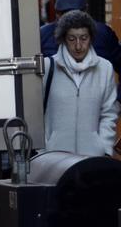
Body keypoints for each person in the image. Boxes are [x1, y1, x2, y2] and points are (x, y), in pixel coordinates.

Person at [43, 10, 120, 157]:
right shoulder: (48, 67)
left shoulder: (104, 68)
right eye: (72, 39)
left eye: (83, 38)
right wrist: (43, 149)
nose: (78, 46)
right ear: (64, 39)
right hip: (54, 158)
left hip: (93, 159)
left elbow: (108, 113)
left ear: (91, 37)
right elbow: (36, 112)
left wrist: (104, 148)